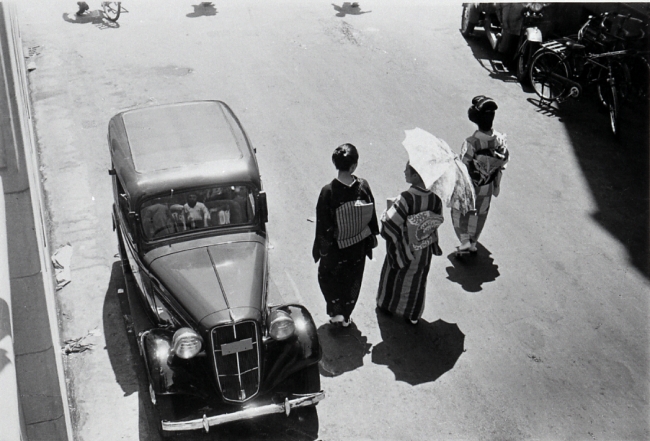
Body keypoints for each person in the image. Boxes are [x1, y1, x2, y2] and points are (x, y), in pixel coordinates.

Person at [313, 143, 379, 327]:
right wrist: (371, 234)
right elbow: (371, 212)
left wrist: (323, 249)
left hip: (335, 247)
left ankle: (336, 313)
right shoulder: (363, 186)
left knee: (327, 277)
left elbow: (322, 224)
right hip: (357, 245)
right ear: (354, 166)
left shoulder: (328, 191)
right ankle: (346, 314)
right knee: (352, 279)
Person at [376, 162, 443, 325]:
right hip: (424, 249)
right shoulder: (435, 199)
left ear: (415, 176)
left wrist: (386, 213)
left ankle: (387, 305)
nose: (404, 171)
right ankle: (413, 314)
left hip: (404, 247)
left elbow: (390, 224)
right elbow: (435, 222)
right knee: (417, 280)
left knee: (394, 274)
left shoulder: (406, 198)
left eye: (407, 169)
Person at [452, 95, 509, 254]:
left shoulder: (472, 142)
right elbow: (504, 160)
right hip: (487, 185)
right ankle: (474, 242)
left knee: (462, 212)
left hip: (469, 186)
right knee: (481, 213)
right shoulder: (499, 139)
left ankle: (464, 243)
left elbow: (463, 165)